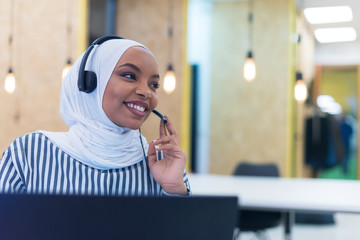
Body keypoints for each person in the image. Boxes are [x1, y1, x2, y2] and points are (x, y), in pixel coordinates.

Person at [0, 36, 190, 196]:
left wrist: (173, 189)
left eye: (154, 85)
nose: (146, 92)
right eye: (130, 76)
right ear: (89, 83)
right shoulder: (29, 153)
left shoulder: (164, 163)